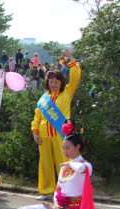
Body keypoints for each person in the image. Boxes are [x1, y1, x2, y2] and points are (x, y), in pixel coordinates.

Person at [32, 49, 80, 200]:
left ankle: (66, 190)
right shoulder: (44, 98)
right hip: (44, 135)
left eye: (56, 82)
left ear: (61, 82)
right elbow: (37, 116)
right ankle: (47, 191)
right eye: (51, 82)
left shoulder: (66, 93)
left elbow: (76, 76)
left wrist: (71, 58)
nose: (53, 84)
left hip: (61, 134)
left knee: (63, 162)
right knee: (45, 163)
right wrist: (35, 132)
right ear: (48, 83)